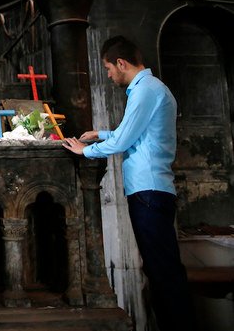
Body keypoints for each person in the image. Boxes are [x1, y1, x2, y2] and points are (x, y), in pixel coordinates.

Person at [62, 35, 196, 331]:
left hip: (149, 190)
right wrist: (102, 134)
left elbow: (125, 140)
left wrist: (87, 150)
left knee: (163, 272)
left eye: (109, 68)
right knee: (160, 268)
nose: (109, 76)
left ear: (121, 63)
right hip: (152, 189)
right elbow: (136, 133)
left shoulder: (145, 90)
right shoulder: (151, 88)